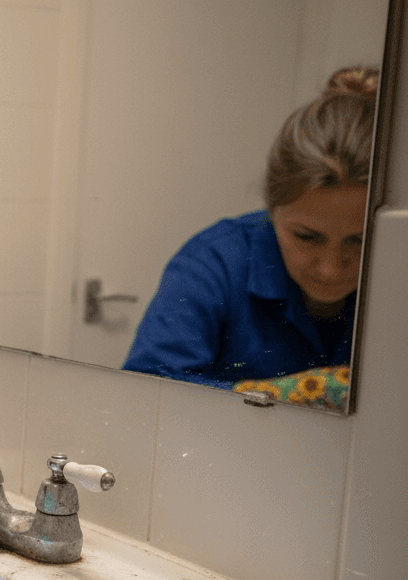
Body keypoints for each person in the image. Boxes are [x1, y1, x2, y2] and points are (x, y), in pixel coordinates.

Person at [123, 66, 377, 409]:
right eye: (307, 237)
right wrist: (300, 393)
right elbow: (141, 397)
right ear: (272, 209)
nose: (331, 269)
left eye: (359, 240)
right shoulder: (213, 263)